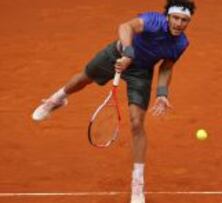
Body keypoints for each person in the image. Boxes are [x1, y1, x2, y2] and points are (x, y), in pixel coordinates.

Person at [32, 0, 196, 202]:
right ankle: (57, 100)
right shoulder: (153, 21)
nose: (179, 24)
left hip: (141, 73)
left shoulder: (181, 43)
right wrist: (128, 53)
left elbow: (166, 66)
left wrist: (162, 93)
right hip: (116, 55)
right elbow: (125, 27)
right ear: (168, 17)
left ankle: (137, 185)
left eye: (184, 20)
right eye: (176, 18)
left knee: (137, 123)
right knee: (84, 78)